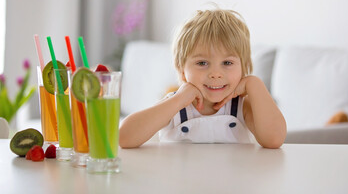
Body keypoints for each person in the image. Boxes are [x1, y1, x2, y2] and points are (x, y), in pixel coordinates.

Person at [119, 8, 286, 148]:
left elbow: (274, 140)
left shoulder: (243, 107)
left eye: (227, 62)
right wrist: (178, 100)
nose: (215, 73)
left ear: (243, 68)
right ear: (182, 70)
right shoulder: (174, 105)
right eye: (202, 63)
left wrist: (254, 84)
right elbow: (123, 138)